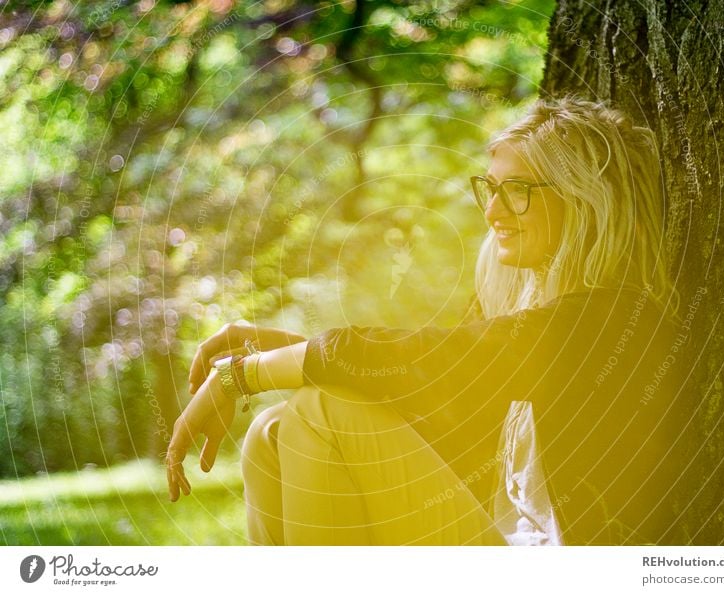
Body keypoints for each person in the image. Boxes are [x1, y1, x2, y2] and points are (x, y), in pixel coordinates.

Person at [166, 94, 692, 545]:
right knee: (273, 430)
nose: (493, 212)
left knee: (319, 409)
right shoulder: (525, 304)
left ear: (585, 201)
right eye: (491, 188)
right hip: (488, 542)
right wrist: (298, 353)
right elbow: (425, 375)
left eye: (519, 190)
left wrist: (246, 374)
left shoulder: (614, 317)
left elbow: (432, 360)